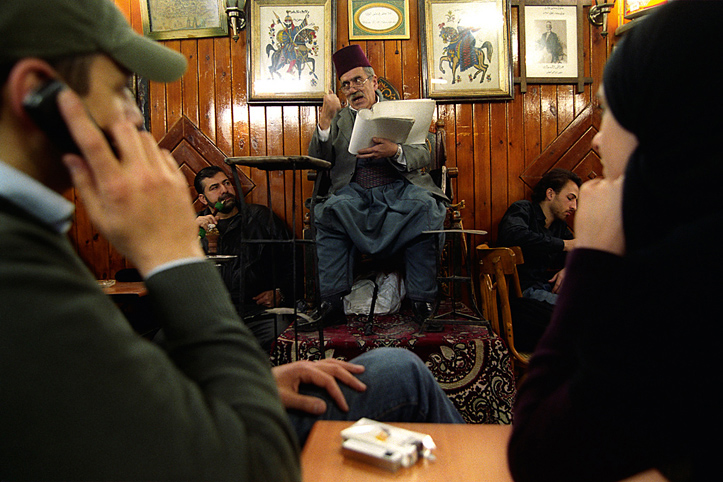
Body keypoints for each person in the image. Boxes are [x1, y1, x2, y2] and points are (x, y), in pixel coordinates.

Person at [0, 1, 463, 479]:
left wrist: (256, 378)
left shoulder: (33, 232)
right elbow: (243, 460)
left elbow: (116, 392)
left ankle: (421, 300)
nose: (135, 118)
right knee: (401, 368)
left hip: (396, 197)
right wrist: (174, 253)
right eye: (120, 89)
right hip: (226, 447)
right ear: (38, 94)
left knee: (398, 365)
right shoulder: (18, 269)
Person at [508, 2, 722, 480]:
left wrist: (592, 260)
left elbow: (539, 457)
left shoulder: (689, 287)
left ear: (663, 121)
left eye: (609, 110)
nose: (598, 141)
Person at [306, 44, 449, 330]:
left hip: (399, 188)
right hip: (354, 193)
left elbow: (424, 152)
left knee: (425, 208)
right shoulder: (338, 119)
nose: (353, 89)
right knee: (329, 211)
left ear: (374, 81)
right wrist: (324, 122)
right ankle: (331, 303)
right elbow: (318, 162)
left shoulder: (399, 110)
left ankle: (424, 303)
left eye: (358, 80)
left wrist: (395, 150)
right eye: (346, 85)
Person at [194, 166, 297, 352]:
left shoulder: (260, 218)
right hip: (208, 317)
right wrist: (189, 232)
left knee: (282, 333)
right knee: (164, 339)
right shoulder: (193, 227)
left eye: (226, 183)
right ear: (202, 198)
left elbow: (291, 259)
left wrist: (282, 293)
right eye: (214, 187)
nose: (224, 190)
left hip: (256, 314)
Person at [497, 168, 581, 306]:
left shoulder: (559, 226)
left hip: (545, 288)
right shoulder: (523, 208)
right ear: (550, 194)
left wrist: (569, 269)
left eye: (576, 201)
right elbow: (513, 235)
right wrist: (564, 245)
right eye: (570, 198)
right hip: (520, 295)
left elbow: (578, 257)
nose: (574, 207)